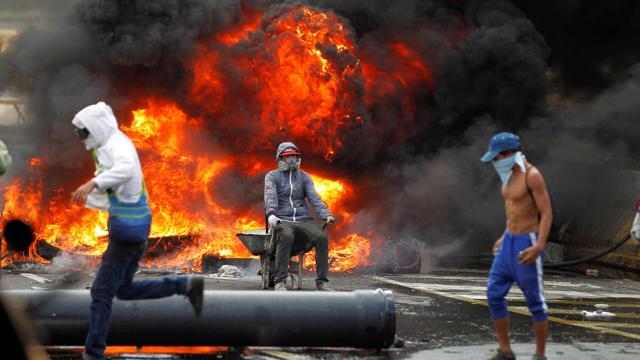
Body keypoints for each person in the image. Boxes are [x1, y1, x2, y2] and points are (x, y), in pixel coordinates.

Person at [70, 102, 203, 360]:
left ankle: (93, 353)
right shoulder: (107, 146)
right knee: (124, 289)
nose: (82, 138)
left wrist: (93, 183)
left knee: (101, 292)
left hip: (126, 232)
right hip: (135, 228)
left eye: (84, 132)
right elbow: (119, 192)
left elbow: (126, 170)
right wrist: (90, 198)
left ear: (95, 127)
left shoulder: (116, 145)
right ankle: (183, 285)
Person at [481, 132, 552, 360]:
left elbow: (547, 212)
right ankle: (505, 350)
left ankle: (540, 355)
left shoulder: (533, 176)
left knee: (535, 301)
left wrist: (539, 246)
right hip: (509, 241)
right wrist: (504, 235)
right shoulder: (508, 176)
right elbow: (513, 210)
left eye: (497, 157)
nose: (495, 162)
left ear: (510, 153)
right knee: (494, 293)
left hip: (527, 242)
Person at [264, 142, 336, 291]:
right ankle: (280, 281)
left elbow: (314, 198)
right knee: (286, 235)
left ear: (298, 158)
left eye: (293, 156)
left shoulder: (304, 177)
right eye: (287, 156)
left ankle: (322, 282)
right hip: (282, 219)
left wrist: (326, 215)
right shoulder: (272, 176)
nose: (291, 160)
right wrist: (272, 215)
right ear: (280, 159)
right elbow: (270, 196)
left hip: (303, 220)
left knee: (321, 237)